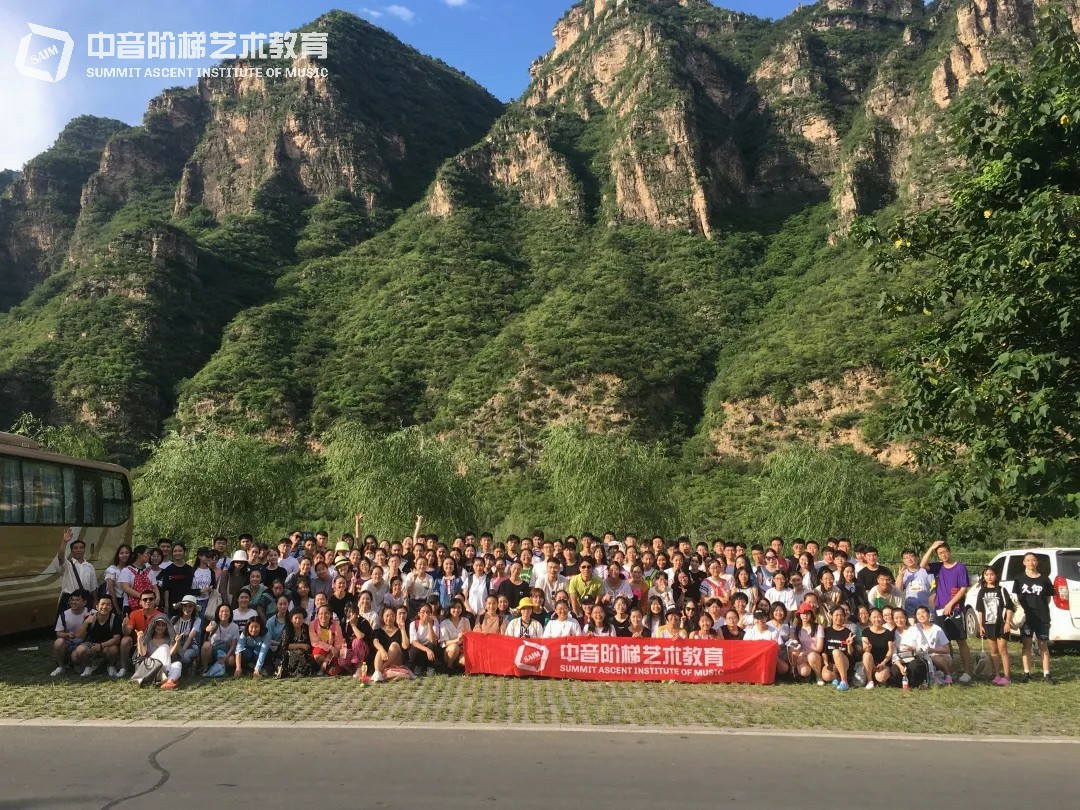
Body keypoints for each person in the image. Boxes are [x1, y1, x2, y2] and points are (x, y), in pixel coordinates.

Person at [922, 540, 972, 683]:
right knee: (945, 641)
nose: (943, 555)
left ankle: (967, 671)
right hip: (939, 609)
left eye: (945, 552)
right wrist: (931, 548)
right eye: (940, 553)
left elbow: (963, 588)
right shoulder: (938, 567)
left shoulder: (960, 567)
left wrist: (950, 604)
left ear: (949, 551)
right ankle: (951, 670)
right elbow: (922, 565)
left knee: (961, 640)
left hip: (955, 609)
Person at [1013, 552, 1055, 684]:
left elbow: (1048, 598)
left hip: (1042, 617)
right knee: (1026, 644)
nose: (1031, 562)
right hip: (1027, 617)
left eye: (1034, 560)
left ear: (1037, 562)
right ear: (1024, 562)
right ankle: (1027, 673)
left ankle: (1047, 674)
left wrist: (1041, 608)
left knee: (1043, 645)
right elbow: (1016, 599)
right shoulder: (1019, 579)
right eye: (1028, 560)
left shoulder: (1045, 579)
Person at [975, 565, 1014, 686]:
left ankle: (1007, 676)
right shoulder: (982, 591)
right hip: (988, 625)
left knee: (1002, 649)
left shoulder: (1001, 590)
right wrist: (980, 625)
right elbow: (980, 610)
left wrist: (1007, 622)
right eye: (986, 574)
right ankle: (997, 675)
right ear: (983, 577)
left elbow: (1009, 607)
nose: (989, 577)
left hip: (1001, 624)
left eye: (991, 574)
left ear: (996, 575)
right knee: (993, 651)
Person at [898, 605, 953, 686]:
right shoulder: (914, 628)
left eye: (923, 612)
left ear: (929, 614)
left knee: (936, 658)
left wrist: (932, 650)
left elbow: (947, 649)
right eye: (918, 614)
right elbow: (906, 643)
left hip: (938, 656)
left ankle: (947, 675)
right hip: (921, 656)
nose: (921, 615)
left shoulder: (937, 629)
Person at [51, 529, 98, 617]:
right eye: (75, 548)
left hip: (85, 600)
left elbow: (93, 587)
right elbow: (60, 557)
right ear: (72, 550)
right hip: (69, 600)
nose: (78, 550)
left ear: (84, 550)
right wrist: (64, 541)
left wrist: (95, 601)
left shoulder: (90, 567)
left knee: (84, 623)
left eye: (81, 548)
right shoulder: (67, 564)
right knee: (66, 623)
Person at [72, 596, 122, 677]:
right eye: (102, 604)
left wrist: (101, 645)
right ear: (97, 606)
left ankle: (111, 666)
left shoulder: (115, 619)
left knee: (113, 649)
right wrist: (86, 623)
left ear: (111, 607)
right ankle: (88, 667)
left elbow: (117, 639)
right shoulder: (90, 617)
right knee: (79, 651)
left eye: (108, 605)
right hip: (92, 644)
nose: (104, 607)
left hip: (107, 645)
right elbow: (79, 636)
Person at [119, 590, 163, 676]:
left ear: (155, 601)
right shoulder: (134, 614)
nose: (148, 601)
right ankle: (123, 668)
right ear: (140, 602)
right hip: (136, 643)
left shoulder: (160, 615)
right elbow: (127, 633)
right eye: (145, 599)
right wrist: (124, 625)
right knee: (125, 640)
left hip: (152, 643)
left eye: (151, 599)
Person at [51, 590, 92, 676]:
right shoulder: (64, 615)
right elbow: (58, 633)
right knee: (58, 642)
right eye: (72, 600)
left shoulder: (91, 612)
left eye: (77, 600)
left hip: (84, 642)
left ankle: (78, 663)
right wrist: (67, 634)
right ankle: (61, 667)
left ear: (84, 602)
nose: (73, 602)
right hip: (69, 642)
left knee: (75, 656)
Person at [136, 613, 182, 689]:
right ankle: (166, 678)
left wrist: (177, 642)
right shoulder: (149, 639)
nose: (160, 627)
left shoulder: (168, 639)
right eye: (158, 625)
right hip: (151, 667)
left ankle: (169, 681)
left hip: (164, 667)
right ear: (154, 626)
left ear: (166, 627)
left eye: (163, 625)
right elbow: (142, 653)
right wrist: (139, 640)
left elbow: (170, 653)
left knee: (178, 664)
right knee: (164, 647)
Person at [821, 606, 856, 691]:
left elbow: (851, 654)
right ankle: (838, 677)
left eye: (841, 615)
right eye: (836, 615)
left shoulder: (848, 633)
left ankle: (844, 681)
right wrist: (827, 664)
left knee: (836, 652)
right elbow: (824, 651)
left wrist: (849, 645)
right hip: (831, 664)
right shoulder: (826, 631)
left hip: (845, 663)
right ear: (831, 616)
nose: (839, 618)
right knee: (826, 676)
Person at [791, 602, 825, 684]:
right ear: (799, 615)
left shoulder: (818, 627)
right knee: (804, 672)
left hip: (815, 655)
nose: (805, 615)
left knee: (812, 656)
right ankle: (806, 674)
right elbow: (793, 642)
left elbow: (819, 649)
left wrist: (803, 653)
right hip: (802, 655)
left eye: (808, 613)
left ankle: (818, 676)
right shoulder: (796, 628)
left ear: (811, 615)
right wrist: (798, 652)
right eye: (803, 613)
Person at [861, 608, 896, 689]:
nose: (877, 619)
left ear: (882, 618)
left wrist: (884, 662)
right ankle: (870, 681)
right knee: (866, 654)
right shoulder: (865, 631)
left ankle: (876, 676)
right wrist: (868, 648)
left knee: (881, 678)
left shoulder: (888, 633)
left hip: (883, 663)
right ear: (870, 618)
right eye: (874, 617)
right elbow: (865, 650)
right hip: (871, 662)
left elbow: (890, 650)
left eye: (879, 617)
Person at [201, 603, 239, 676]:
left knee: (231, 661)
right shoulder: (213, 623)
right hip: (213, 652)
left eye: (227, 611)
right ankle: (205, 668)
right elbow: (207, 629)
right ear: (217, 613)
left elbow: (233, 646)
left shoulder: (234, 627)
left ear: (230, 613)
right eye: (221, 611)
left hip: (227, 652)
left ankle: (223, 667)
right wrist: (208, 629)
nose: (224, 613)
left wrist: (225, 658)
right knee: (206, 645)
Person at [276, 608, 315, 678]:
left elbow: (308, 644)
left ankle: (303, 672)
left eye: (300, 618)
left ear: (303, 619)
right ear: (291, 619)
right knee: (295, 654)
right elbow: (285, 645)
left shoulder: (306, 628)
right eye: (295, 618)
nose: (298, 620)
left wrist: (304, 647)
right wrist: (301, 645)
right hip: (287, 651)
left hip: (303, 652)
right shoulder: (287, 628)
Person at [371, 606, 407, 682]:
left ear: (395, 617)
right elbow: (375, 642)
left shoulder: (400, 630)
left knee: (394, 645)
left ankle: (380, 671)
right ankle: (377, 673)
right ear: (382, 617)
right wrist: (382, 650)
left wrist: (402, 629)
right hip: (383, 658)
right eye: (387, 615)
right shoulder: (377, 631)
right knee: (379, 650)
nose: (389, 618)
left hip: (397, 660)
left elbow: (405, 646)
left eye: (392, 615)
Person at [310, 604, 346, 676]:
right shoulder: (313, 624)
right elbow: (315, 642)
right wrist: (330, 647)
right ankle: (323, 668)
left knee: (333, 672)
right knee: (317, 655)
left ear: (330, 615)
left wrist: (325, 661)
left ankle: (324, 668)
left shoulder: (335, 625)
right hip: (321, 649)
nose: (323, 616)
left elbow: (338, 646)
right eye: (321, 614)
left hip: (334, 653)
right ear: (317, 615)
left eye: (326, 613)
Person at [407, 602, 443, 675]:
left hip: (431, 648)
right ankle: (418, 666)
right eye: (423, 612)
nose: (425, 614)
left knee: (433, 645)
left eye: (428, 612)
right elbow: (414, 642)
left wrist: (429, 624)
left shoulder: (435, 623)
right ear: (419, 613)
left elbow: (432, 640)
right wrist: (427, 650)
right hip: (420, 648)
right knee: (414, 650)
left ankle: (430, 667)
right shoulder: (413, 624)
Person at [171, 595, 203, 674]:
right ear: (181, 607)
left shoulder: (197, 620)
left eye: (190, 606)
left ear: (194, 608)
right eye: (185, 606)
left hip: (190, 645)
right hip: (176, 644)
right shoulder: (174, 619)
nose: (187, 609)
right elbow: (174, 637)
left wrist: (181, 652)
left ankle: (189, 667)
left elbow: (190, 638)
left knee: (184, 657)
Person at [160, 543, 194, 616]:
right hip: (172, 604)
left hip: (187, 604)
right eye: (175, 551)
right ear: (172, 553)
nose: (177, 553)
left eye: (180, 551)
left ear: (184, 552)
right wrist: (166, 605)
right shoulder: (167, 570)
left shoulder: (190, 570)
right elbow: (166, 589)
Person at [440, 599, 471, 671]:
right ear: (450, 609)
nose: (456, 610)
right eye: (454, 608)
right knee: (454, 647)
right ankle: (449, 667)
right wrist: (458, 639)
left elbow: (469, 636)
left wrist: (465, 636)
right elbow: (446, 643)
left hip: (462, 649)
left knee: (465, 661)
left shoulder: (465, 620)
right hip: (450, 651)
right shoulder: (444, 623)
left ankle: (456, 666)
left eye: (459, 607)